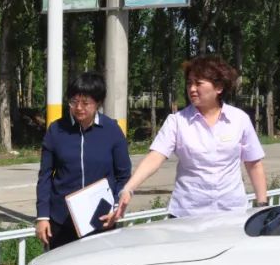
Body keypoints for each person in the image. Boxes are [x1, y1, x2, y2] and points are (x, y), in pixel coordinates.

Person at [106, 54, 268, 224]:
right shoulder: (177, 121)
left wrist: (262, 205)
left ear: (218, 87)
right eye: (189, 83)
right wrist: (129, 188)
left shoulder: (239, 119)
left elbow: (254, 164)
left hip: (232, 213)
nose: (191, 89)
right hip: (188, 214)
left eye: (198, 83)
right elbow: (155, 157)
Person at [35, 72, 131, 249]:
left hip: (101, 219)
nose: (79, 108)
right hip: (61, 221)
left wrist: (116, 208)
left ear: (98, 103)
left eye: (86, 103)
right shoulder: (56, 130)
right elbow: (45, 177)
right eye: (74, 102)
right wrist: (42, 216)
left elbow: (123, 175)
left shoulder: (111, 130)